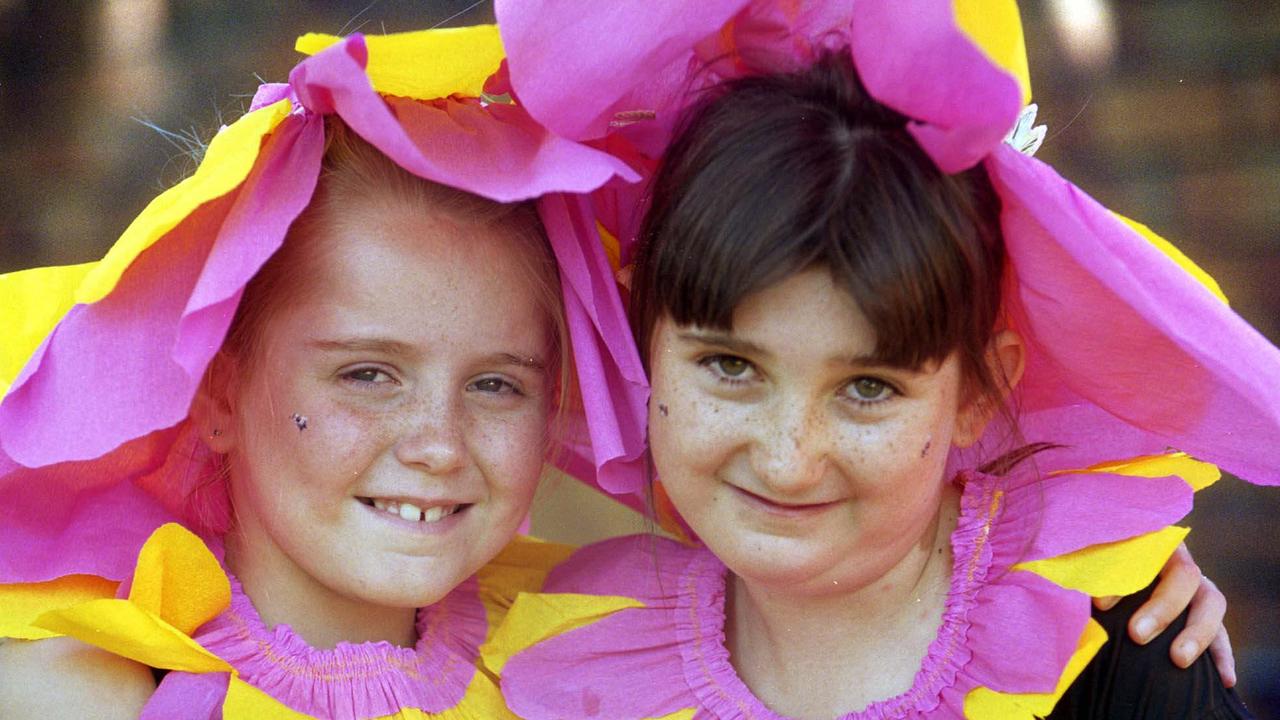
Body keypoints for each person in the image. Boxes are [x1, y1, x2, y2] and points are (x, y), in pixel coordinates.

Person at [484, 1, 1280, 718]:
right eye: (731, 367)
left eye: (867, 387)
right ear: (640, 331)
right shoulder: (571, 668)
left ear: (978, 388)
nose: (789, 460)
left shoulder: (1106, 658)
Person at [0, 27, 635, 719]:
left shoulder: (594, 666)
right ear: (219, 393)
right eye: (367, 375)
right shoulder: (84, 698)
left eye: (495, 384)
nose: (440, 445)